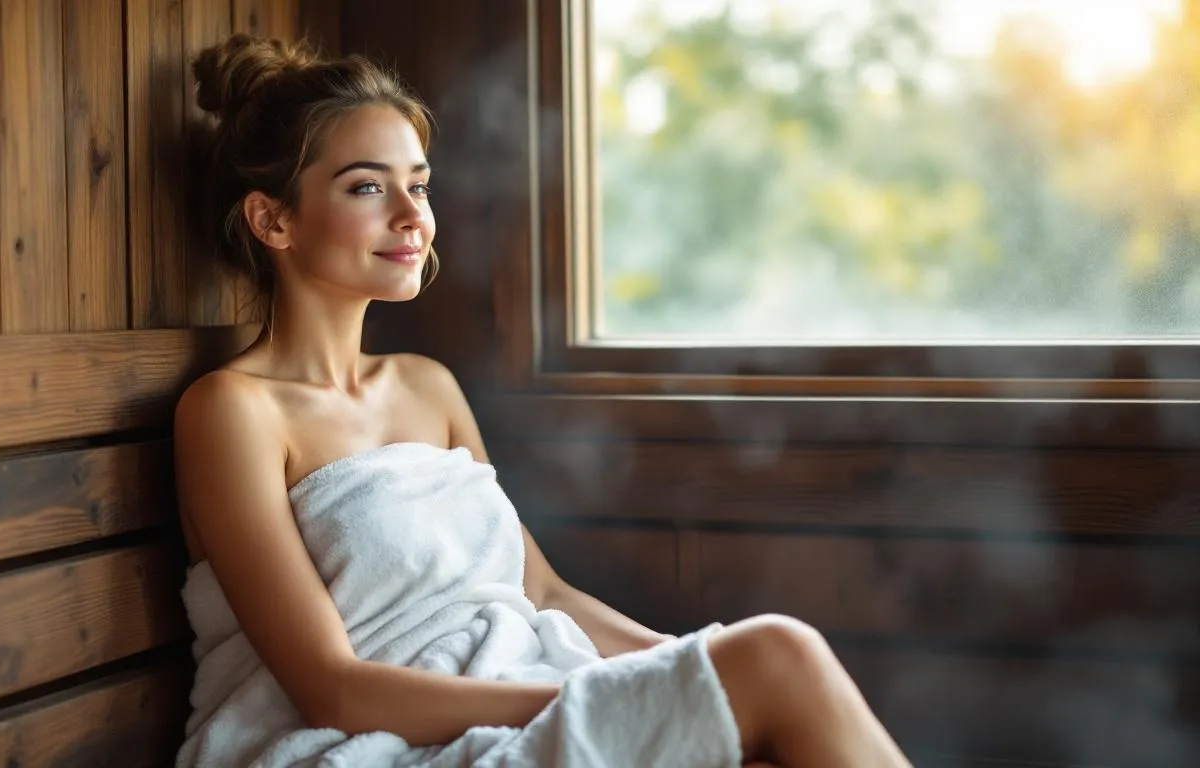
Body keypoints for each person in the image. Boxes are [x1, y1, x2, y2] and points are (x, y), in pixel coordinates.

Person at [172, 33, 913, 768]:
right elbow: (331, 690)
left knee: (762, 708)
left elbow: (545, 590)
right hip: (371, 744)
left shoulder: (427, 386)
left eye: (419, 185)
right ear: (274, 219)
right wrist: (609, 693)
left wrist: (685, 666)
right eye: (367, 186)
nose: (411, 214)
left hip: (515, 698)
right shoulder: (233, 412)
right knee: (778, 652)